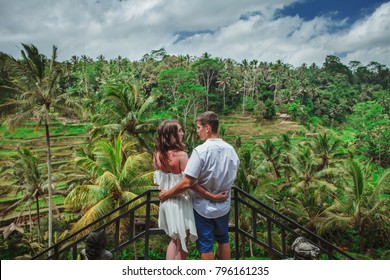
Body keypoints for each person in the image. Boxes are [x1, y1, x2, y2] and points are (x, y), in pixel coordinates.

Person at [159, 111, 240, 260]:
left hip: (203, 208)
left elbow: (188, 181)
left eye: (198, 127)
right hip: (224, 204)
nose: (197, 131)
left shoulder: (200, 151)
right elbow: (233, 175)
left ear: (207, 128)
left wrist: (168, 192)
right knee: (223, 239)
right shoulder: (231, 150)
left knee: (206, 245)